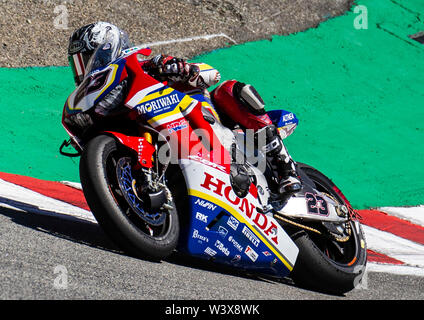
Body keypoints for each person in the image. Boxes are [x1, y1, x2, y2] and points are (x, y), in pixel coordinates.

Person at [67, 22, 302, 196]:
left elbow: (212, 74)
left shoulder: (147, 64)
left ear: (109, 47)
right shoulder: (111, 93)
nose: (84, 68)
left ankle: (284, 168)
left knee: (229, 90)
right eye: (78, 63)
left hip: (213, 126)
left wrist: (183, 69)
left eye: (87, 58)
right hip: (175, 144)